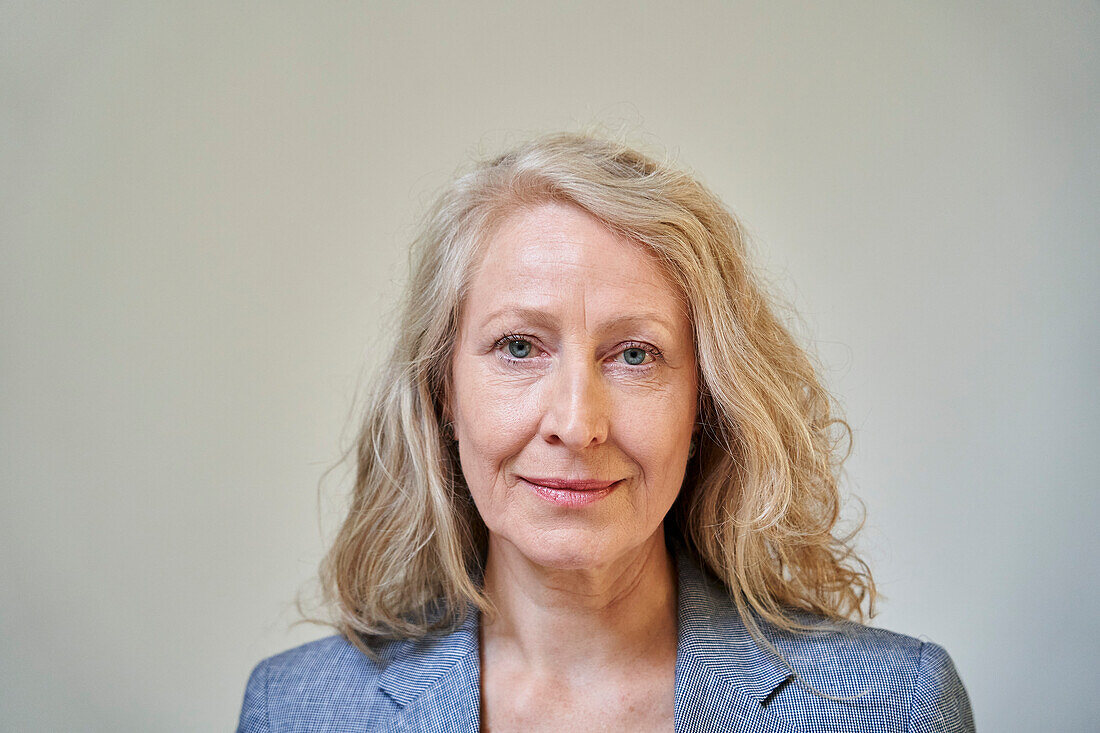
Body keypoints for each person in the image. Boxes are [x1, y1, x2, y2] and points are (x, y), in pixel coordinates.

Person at [236, 133, 975, 732]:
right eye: (520, 346)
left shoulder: (894, 708)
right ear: (444, 392)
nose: (577, 424)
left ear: (705, 406)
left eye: (634, 354)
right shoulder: (296, 709)